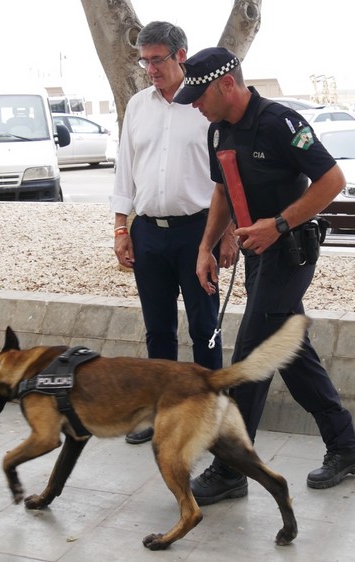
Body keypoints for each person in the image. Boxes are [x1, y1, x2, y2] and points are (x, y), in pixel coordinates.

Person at [173, 47, 355, 502]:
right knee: (291, 353)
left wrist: (279, 224)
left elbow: (332, 181)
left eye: (200, 95)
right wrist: (206, 245)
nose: (195, 105)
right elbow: (222, 190)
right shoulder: (217, 131)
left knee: (250, 358)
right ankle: (346, 447)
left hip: (288, 252)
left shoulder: (280, 123)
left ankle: (230, 469)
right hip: (257, 254)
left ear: (227, 84)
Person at [110, 21, 237, 445]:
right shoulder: (138, 107)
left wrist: (229, 231)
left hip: (198, 232)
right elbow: (124, 170)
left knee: (204, 326)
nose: (150, 68)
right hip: (149, 232)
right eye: (144, 60)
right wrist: (120, 228)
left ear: (181, 55)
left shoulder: (204, 105)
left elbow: (228, 174)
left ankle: (207, 410)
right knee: (157, 328)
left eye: (157, 59)